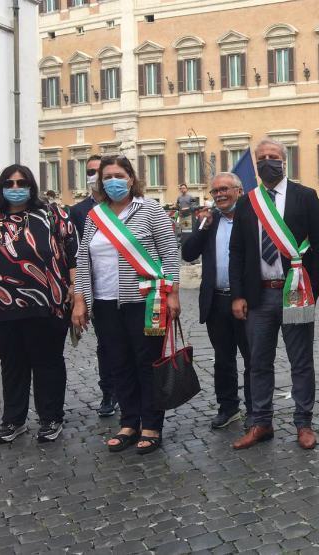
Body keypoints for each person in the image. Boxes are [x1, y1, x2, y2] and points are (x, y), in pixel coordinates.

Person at [72, 155, 181, 455]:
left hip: (146, 301)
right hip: (106, 303)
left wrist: (173, 293)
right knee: (119, 363)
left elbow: (170, 252)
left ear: (131, 178)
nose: (113, 181)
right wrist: (80, 299)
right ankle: (129, 422)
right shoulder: (95, 215)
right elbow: (83, 260)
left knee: (148, 364)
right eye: (107, 177)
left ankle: (151, 425)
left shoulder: (150, 209)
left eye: (119, 175)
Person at [0, 165, 77, 444]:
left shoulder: (54, 215)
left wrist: (76, 290)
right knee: (12, 363)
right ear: (2, 186)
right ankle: (13, 420)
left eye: (22, 182)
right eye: (10, 183)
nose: (16, 188)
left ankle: (51, 417)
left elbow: (73, 255)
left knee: (47, 361)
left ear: (32, 186)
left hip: (48, 304)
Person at [228, 138, 319, 451]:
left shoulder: (305, 196)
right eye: (262, 157)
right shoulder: (247, 201)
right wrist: (238, 295)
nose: (268, 161)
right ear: (255, 163)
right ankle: (261, 422)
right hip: (259, 296)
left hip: (295, 293)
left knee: (301, 361)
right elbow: (237, 251)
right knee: (258, 362)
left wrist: (315, 290)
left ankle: (304, 423)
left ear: (285, 160)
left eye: (273, 157)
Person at [182, 173, 251, 429]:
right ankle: (228, 407)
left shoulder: (251, 220)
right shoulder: (211, 222)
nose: (219, 194)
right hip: (216, 301)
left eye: (225, 189)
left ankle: (255, 410)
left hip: (246, 301)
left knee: (253, 359)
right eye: (215, 191)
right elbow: (188, 254)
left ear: (239, 191)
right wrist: (203, 227)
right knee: (223, 359)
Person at [68, 155, 117, 418]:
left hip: (129, 287)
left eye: (100, 171)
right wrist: (79, 294)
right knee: (105, 343)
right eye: (90, 171)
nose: (95, 176)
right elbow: (76, 253)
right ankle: (109, 391)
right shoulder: (78, 212)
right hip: (96, 289)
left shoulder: (124, 206)